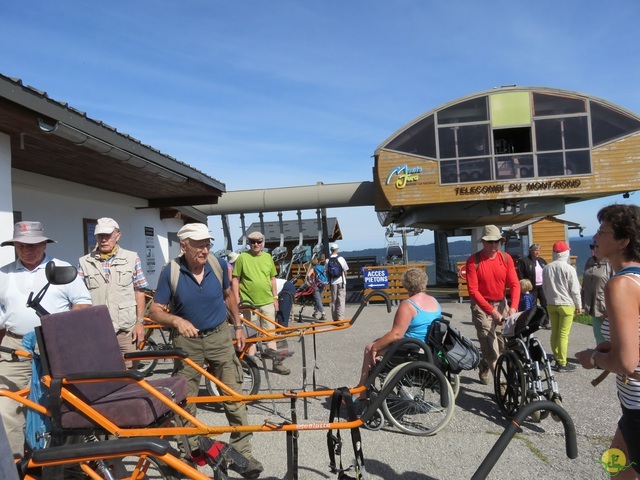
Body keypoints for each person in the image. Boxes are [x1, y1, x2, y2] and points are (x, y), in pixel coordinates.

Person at [148, 223, 263, 478]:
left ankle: (242, 452)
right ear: (184, 246)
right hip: (187, 343)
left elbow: (228, 296)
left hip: (220, 337)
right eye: (199, 244)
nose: (205, 249)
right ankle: (191, 455)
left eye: (207, 243)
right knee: (185, 401)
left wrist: (238, 326)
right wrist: (176, 320)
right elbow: (154, 310)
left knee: (233, 395)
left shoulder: (217, 264)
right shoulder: (171, 272)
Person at [0, 221, 92, 458]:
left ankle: (68, 460)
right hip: (15, 346)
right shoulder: (4, 273)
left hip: (54, 346)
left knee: (64, 404)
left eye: (32, 245)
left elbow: (82, 305)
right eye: (21, 246)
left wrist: (66, 336)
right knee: (7, 407)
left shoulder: (62, 268)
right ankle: (16, 464)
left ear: (44, 244)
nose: (26, 250)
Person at [575, 204, 640, 478]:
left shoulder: (620, 285)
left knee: (618, 469)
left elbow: (626, 363)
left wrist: (593, 358)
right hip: (631, 407)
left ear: (623, 241)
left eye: (602, 231)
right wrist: (613, 346)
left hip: (637, 406)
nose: (595, 237)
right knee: (615, 464)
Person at [355, 268, 441, 398]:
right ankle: (365, 388)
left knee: (369, 348)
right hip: (428, 348)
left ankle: (361, 391)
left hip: (412, 350)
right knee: (380, 342)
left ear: (406, 284)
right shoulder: (434, 301)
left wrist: (376, 347)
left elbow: (396, 334)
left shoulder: (408, 305)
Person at [78, 218, 149, 368]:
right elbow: (78, 297)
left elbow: (139, 291)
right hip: (97, 331)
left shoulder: (132, 258)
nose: (104, 239)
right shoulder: (84, 262)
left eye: (108, 235)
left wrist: (140, 322)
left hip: (126, 330)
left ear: (118, 235)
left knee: (130, 373)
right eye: (100, 235)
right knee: (100, 373)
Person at [465, 225, 520, 385]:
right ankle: (501, 384)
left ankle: (484, 363)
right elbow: (473, 291)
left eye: (497, 242)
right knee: (489, 343)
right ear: (483, 242)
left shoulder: (505, 258)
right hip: (481, 305)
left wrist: (513, 307)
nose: (494, 245)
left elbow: (515, 284)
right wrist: (491, 311)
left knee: (502, 344)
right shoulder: (473, 261)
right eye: (490, 242)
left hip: (501, 303)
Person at [233, 231, 290, 375]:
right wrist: (236, 298)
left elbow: (272, 279)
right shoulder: (242, 258)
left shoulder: (268, 257)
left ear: (263, 242)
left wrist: (275, 297)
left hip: (267, 302)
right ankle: (250, 366)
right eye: (253, 242)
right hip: (249, 304)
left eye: (258, 241)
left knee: (270, 333)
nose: (256, 244)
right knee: (251, 336)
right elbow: (235, 279)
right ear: (249, 243)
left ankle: (277, 363)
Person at [542, 241, 582, 373]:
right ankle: (562, 362)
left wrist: (549, 299)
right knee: (563, 334)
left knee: (554, 332)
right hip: (566, 304)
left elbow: (545, 287)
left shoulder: (547, 268)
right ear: (565, 253)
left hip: (551, 303)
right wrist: (578, 305)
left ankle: (557, 356)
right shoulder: (569, 268)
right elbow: (575, 289)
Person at [581, 243, 613, 346]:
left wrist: (610, 307)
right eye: (592, 247)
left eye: (597, 247)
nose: (593, 249)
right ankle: (601, 359)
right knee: (598, 335)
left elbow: (615, 286)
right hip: (593, 305)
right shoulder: (589, 261)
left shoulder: (610, 263)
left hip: (606, 305)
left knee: (609, 335)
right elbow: (585, 284)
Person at [517, 243, 549, 328]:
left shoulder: (542, 261)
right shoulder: (524, 261)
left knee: (545, 304)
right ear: (531, 251)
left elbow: (546, 271)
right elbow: (520, 275)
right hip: (531, 287)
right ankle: (531, 322)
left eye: (538, 250)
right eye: (535, 250)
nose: (537, 252)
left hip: (541, 286)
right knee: (532, 305)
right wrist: (524, 285)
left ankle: (545, 322)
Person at [326, 243, 349, 320]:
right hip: (341, 281)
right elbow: (345, 272)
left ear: (331, 250)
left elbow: (326, 272)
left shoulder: (327, 260)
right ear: (337, 249)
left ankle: (334, 318)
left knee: (334, 300)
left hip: (332, 282)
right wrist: (344, 278)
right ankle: (340, 318)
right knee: (341, 300)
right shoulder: (341, 259)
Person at [306, 256, 327, 321]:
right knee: (319, 299)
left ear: (312, 264)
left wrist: (309, 281)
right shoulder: (322, 268)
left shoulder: (313, 269)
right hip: (322, 285)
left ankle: (323, 314)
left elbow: (308, 275)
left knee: (318, 300)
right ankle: (315, 313)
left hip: (315, 286)